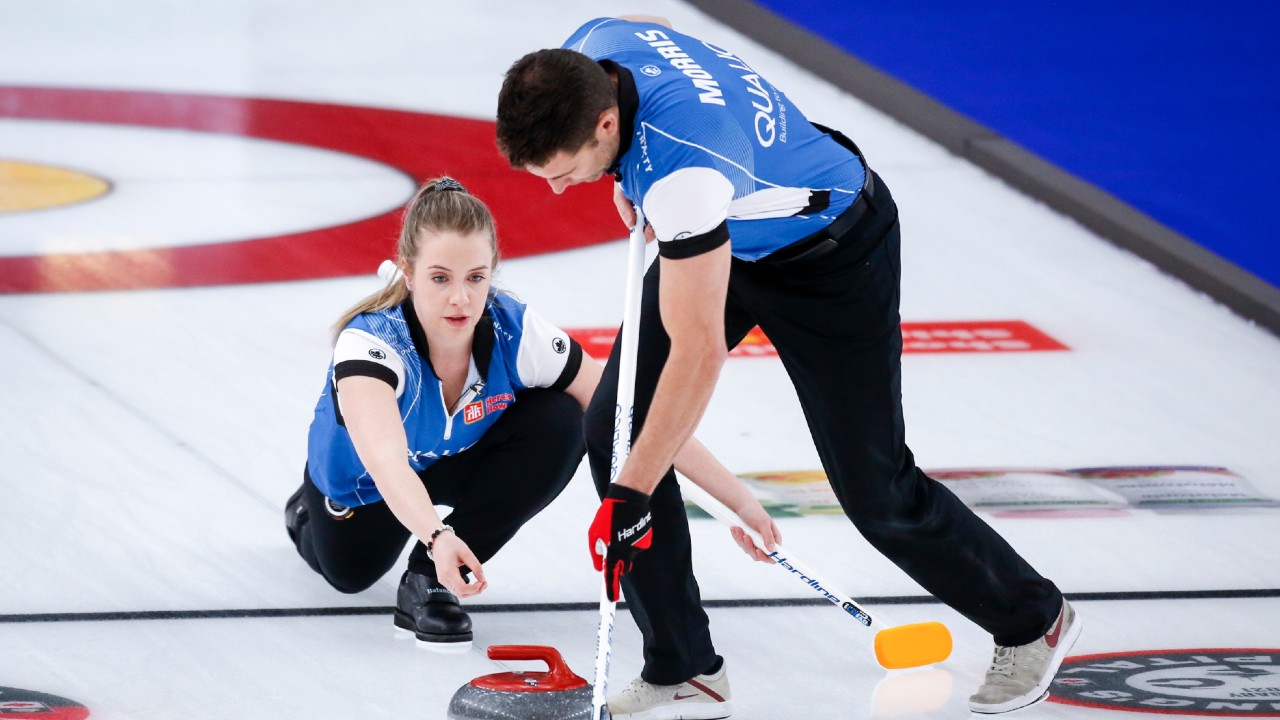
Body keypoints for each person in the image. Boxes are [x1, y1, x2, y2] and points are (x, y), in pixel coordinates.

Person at [496, 16, 1080, 718]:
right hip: (732, 234)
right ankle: (684, 666)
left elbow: (699, 353)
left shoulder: (684, 174)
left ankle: (1031, 617)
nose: (563, 190)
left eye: (566, 173)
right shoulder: (595, 46)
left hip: (833, 256)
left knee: (877, 491)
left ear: (605, 121)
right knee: (614, 428)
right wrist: (621, 170)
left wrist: (633, 497)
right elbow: (655, 25)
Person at [285, 176, 781, 657]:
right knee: (349, 576)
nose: (460, 298)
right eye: (440, 279)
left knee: (566, 420)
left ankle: (426, 584)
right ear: (408, 273)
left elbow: (632, 415)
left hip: (447, 457)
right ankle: (305, 510)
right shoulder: (372, 346)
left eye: (476, 278)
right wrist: (438, 536)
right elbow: (388, 464)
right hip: (366, 486)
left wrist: (741, 501)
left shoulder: (515, 332)